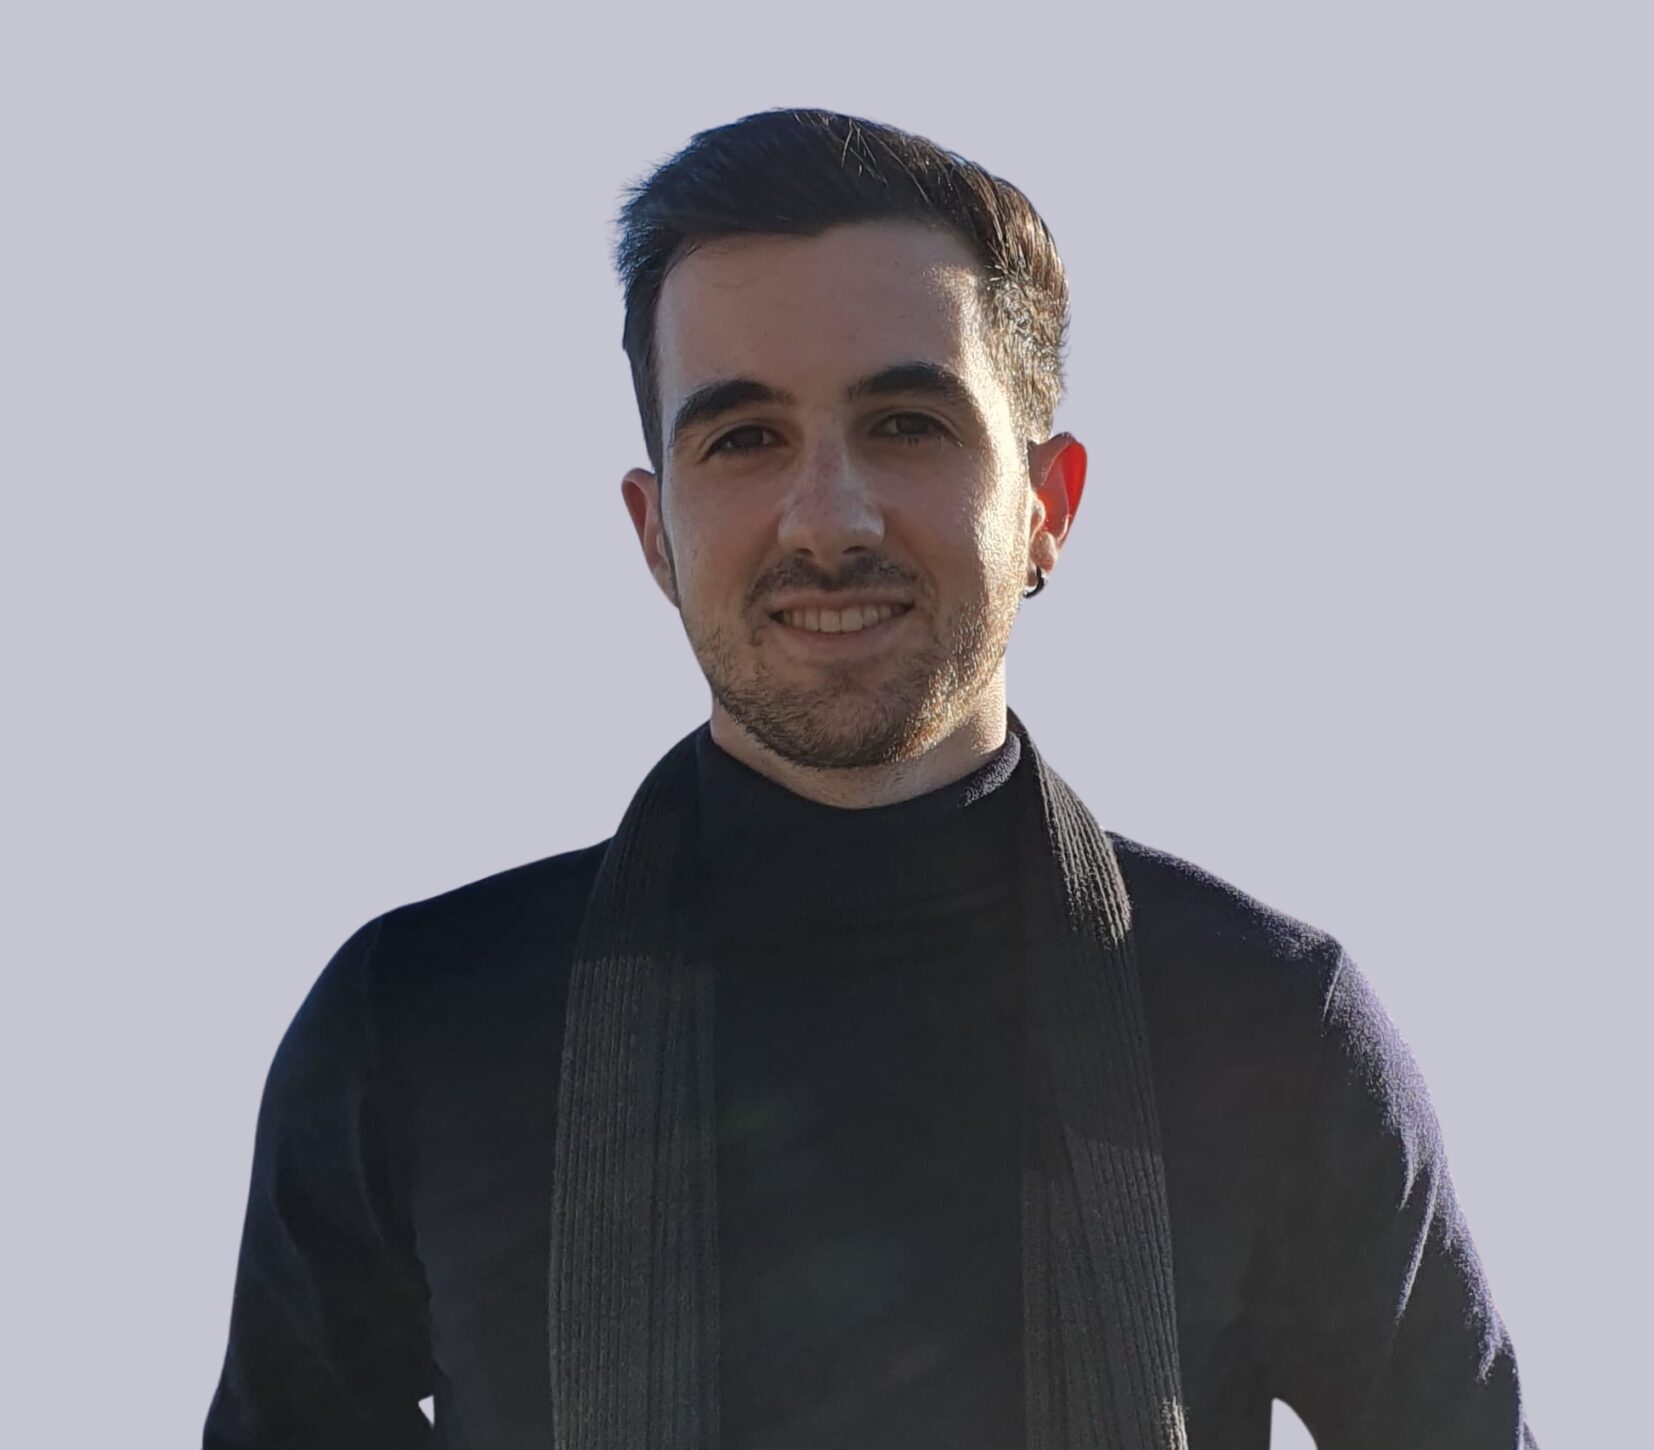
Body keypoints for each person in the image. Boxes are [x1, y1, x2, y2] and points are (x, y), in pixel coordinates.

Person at [202, 109, 1538, 1450]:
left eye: (905, 423)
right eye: (743, 439)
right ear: (654, 531)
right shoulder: (415, 1025)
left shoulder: (1264, 1025)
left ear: (1047, 505)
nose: (828, 518)